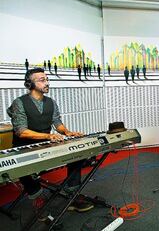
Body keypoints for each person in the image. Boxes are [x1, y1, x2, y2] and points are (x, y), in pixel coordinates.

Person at [7, 68, 94, 217]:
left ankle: (72, 194)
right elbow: (21, 131)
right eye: (42, 80)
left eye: (47, 79)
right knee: (23, 168)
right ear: (29, 84)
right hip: (24, 146)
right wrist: (48, 136)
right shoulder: (19, 102)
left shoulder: (51, 102)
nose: (47, 82)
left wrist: (67, 132)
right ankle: (37, 197)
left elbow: (56, 122)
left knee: (76, 154)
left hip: (45, 143)